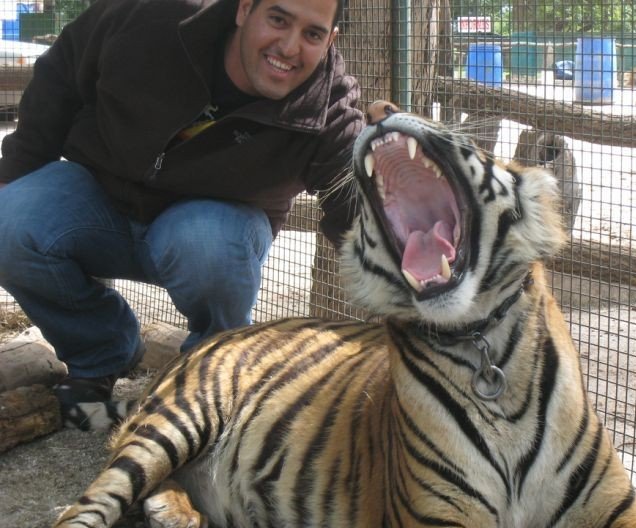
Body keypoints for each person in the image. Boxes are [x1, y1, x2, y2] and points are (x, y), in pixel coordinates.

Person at [0, 0, 363, 425]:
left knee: (207, 243)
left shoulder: (330, 108)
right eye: (278, 20)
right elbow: (64, 65)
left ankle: (209, 382)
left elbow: (355, 214)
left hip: (210, 231)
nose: (288, 47)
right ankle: (99, 355)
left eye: (312, 34)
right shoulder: (154, 15)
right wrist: (15, 172)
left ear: (330, 40)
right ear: (245, 9)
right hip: (100, 195)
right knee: (8, 220)